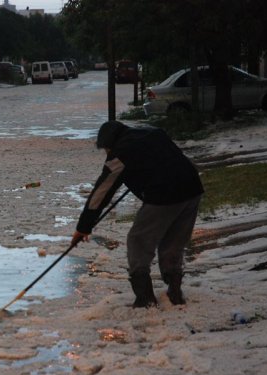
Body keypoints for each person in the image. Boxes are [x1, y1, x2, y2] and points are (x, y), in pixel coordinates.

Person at [72, 121, 204, 307]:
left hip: (163, 195)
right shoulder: (153, 132)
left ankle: (145, 298)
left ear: (111, 143)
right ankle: (175, 291)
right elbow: (171, 159)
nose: (107, 154)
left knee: (138, 241)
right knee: (173, 243)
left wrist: (83, 227)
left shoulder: (121, 153)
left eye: (106, 149)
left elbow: (102, 191)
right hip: (192, 188)